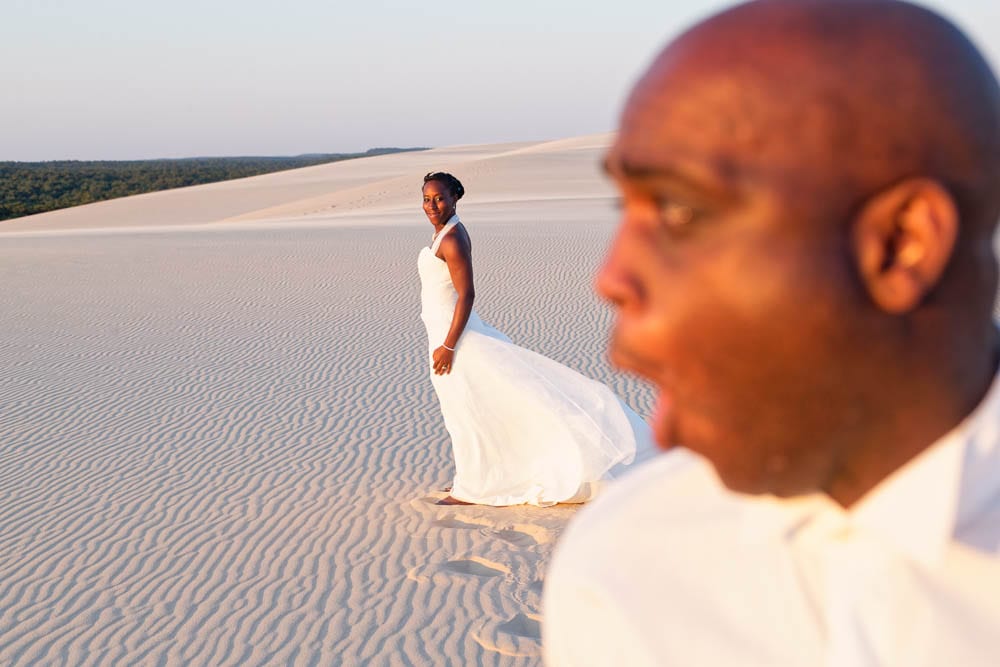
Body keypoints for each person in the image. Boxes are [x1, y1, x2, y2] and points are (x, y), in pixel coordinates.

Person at [543, 0, 1000, 664]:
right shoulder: (623, 565)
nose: (610, 276)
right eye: (624, 205)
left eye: (678, 208)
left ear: (902, 244)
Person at [417, 171, 650, 506]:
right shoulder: (444, 234)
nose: (433, 205)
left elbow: (467, 295)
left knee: (469, 410)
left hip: (453, 340)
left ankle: (474, 488)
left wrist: (449, 346)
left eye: (440, 198)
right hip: (443, 334)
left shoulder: (453, 239)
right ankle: (470, 481)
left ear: (455, 197)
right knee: (464, 409)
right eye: (427, 199)